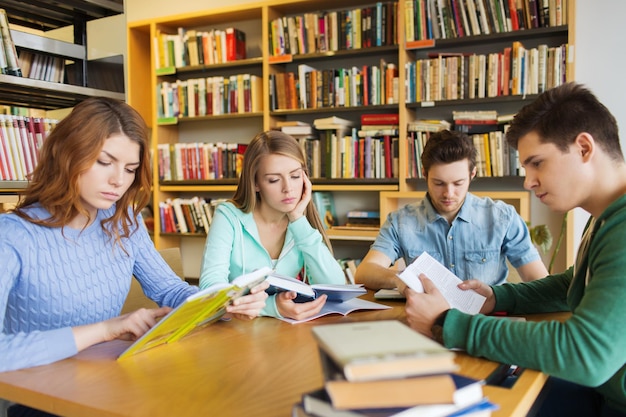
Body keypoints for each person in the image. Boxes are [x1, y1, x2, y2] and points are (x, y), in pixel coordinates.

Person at [0, 97, 269, 375]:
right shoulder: (11, 235)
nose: (119, 180)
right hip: (41, 396)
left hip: (108, 379)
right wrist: (105, 330)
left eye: (130, 170)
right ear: (66, 154)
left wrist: (224, 304)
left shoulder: (124, 221)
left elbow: (171, 291)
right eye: (105, 162)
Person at [404, 83, 626, 416]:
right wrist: (498, 297)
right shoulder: (606, 217)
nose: (528, 181)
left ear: (583, 148)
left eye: (537, 163)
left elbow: (586, 354)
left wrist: (447, 321)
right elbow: (575, 282)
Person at [355, 129, 548, 290]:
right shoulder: (401, 221)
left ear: (472, 174)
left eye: (458, 183)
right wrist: (401, 279)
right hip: (424, 323)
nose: (448, 193)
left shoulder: (502, 218)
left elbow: (539, 282)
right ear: (425, 175)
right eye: (439, 183)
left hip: (486, 323)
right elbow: (365, 272)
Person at [199, 130, 346, 321]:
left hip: (284, 334)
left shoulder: (301, 223)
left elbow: (335, 287)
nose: (288, 188)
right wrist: (272, 306)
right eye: (274, 180)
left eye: (295, 176)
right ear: (255, 183)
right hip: (234, 333)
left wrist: (297, 219)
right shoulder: (228, 216)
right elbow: (211, 290)